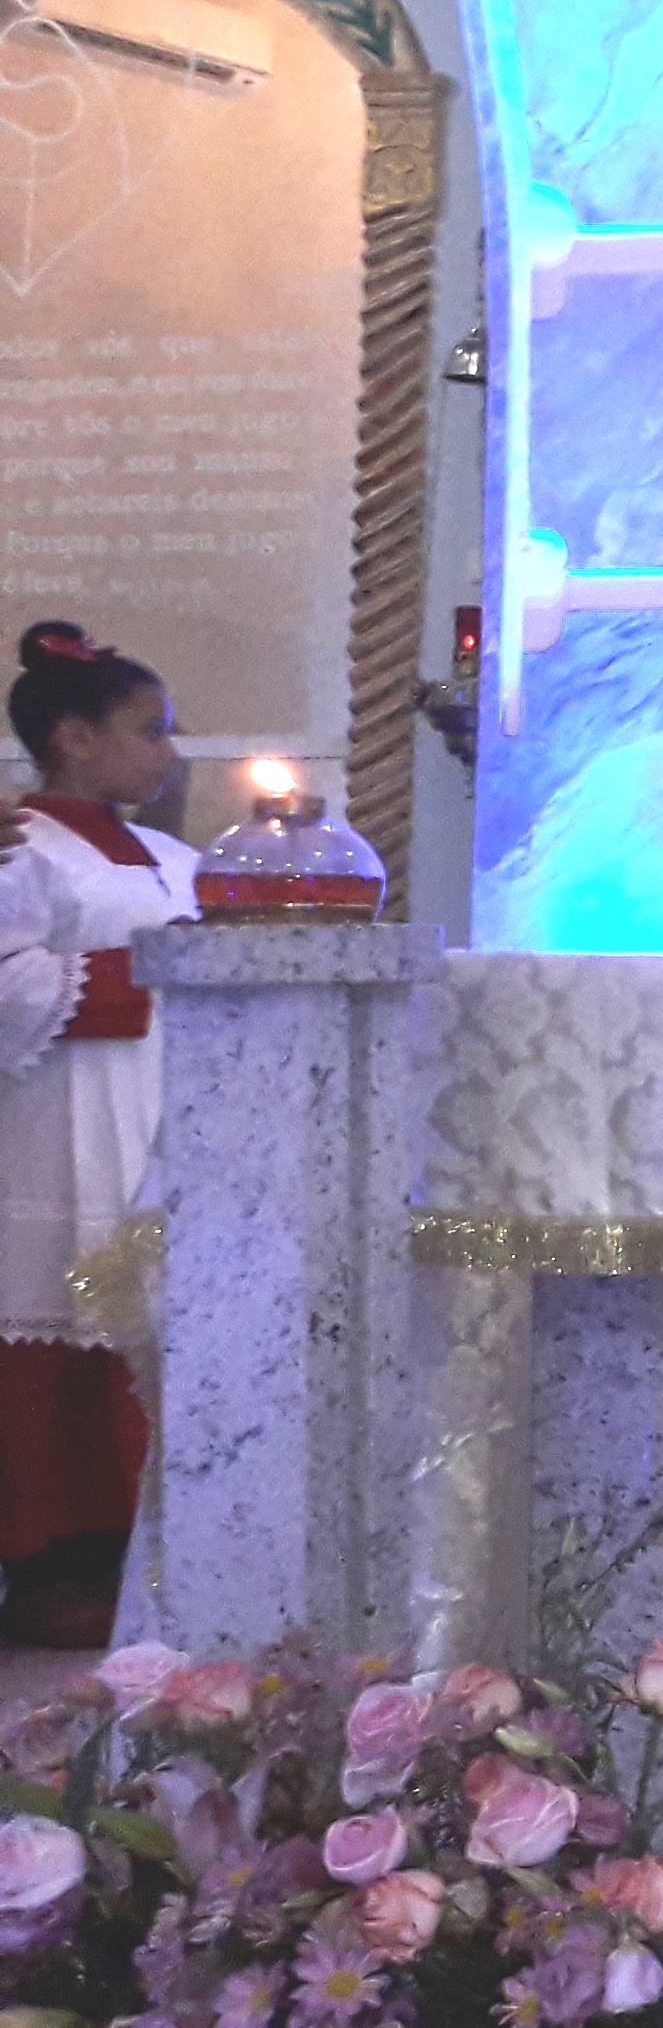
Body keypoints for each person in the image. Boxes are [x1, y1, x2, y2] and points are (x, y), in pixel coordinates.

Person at [0, 623, 199, 1646]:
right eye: (148, 731)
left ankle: (151, 1553)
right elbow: (9, 982)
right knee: (62, 1322)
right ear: (74, 739)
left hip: (165, 1108)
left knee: (153, 1324)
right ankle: (48, 1564)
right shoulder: (22, 850)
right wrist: (158, 977)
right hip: (60, 1112)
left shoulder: (172, 852)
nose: (167, 755)